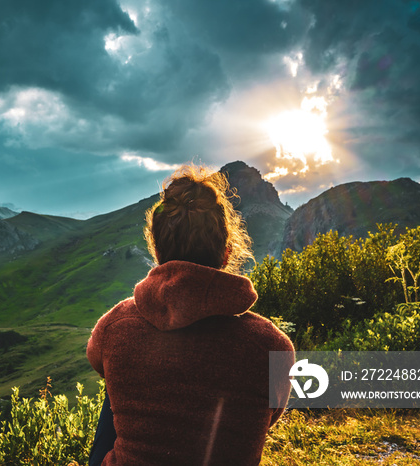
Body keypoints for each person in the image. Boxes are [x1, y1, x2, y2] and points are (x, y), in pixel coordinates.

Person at [86, 164, 294, 465]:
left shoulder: (115, 326)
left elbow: (97, 360)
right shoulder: (271, 345)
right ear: (227, 252)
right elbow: (268, 417)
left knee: (115, 375)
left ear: (157, 251)